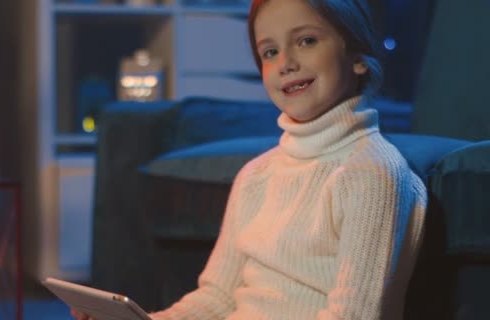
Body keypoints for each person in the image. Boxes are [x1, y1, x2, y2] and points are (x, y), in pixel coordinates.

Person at [73, 0, 426, 318]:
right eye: (270, 52)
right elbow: (217, 298)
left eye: (306, 41)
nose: (286, 63)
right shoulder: (255, 175)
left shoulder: (373, 173)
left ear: (359, 58)